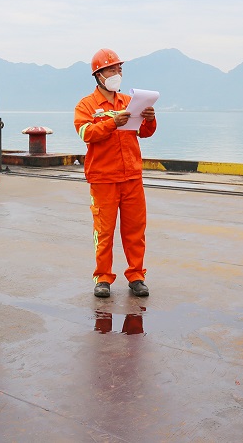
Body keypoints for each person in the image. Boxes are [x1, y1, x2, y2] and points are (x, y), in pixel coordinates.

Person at [73, 48, 157, 299]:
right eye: (111, 69)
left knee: (135, 230)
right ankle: (103, 278)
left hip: (131, 177)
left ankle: (137, 276)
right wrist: (112, 123)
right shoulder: (86, 105)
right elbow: (85, 134)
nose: (117, 73)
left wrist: (150, 119)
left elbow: (144, 133)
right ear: (98, 74)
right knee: (104, 231)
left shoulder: (129, 102)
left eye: (119, 68)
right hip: (103, 178)